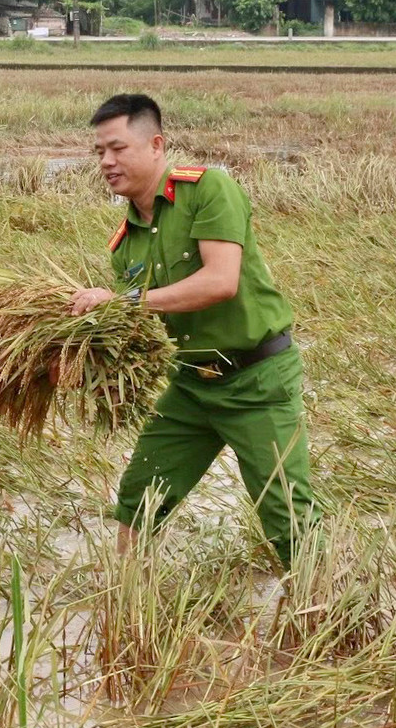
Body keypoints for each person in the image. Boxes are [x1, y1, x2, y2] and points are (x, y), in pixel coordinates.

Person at [67, 93, 318, 569]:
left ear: (156, 145)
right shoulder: (125, 244)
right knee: (140, 496)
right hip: (190, 386)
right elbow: (143, 325)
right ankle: (125, 593)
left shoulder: (208, 189)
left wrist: (122, 301)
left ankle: (324, 599)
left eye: (117, 148)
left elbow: (220, 282)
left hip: (256, 381)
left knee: (286, 512)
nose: (106, 162)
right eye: (99, 151)